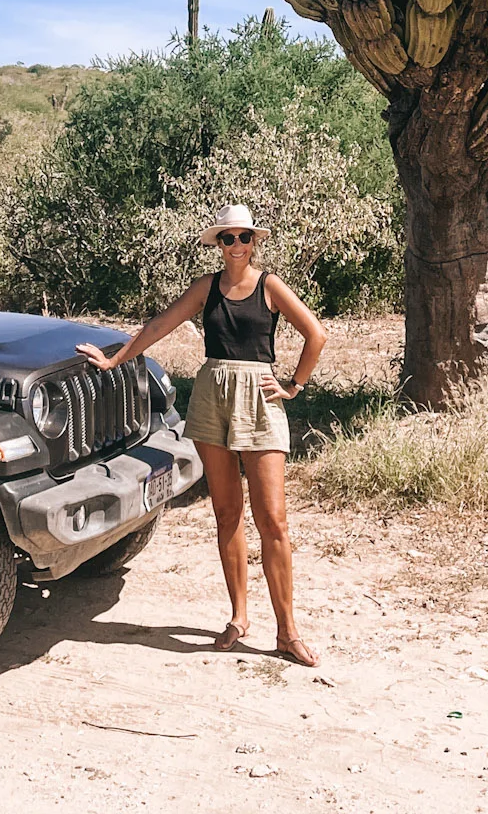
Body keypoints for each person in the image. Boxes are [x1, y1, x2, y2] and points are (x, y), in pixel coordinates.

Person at [77, 201, 327, 665]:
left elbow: (316, 334)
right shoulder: (205, 288)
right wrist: (116, 358)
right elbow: (159, 326)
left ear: (255, 242)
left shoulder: (270, 286)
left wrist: (294, 385)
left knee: (273, 519)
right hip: (212, 396)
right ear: (218, 244)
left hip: (259, 397)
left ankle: (288, 632)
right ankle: (238, 618)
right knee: (227, 512)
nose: (237, 245)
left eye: (244, 237)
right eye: (228, 238)